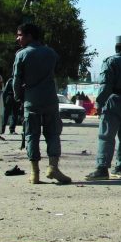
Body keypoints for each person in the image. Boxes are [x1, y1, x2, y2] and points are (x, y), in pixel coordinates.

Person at [12, 22, 71, 185]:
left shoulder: (21, 55)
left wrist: (18, 97)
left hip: (31, 100)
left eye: (20, 35)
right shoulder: (51, 53)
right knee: (53, 134)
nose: (17, 38)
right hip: (50, 99)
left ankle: (34, 173)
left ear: (30, 36)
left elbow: (16, 80)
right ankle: (53, 167)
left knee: (32, 135)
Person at [85, 36, 121, 180]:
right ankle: (120, 169)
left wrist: (99, 103)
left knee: (106, 136)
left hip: (112, 101)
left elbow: (105, 85)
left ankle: (102, 168)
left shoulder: (109, 62)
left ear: (116, 48)